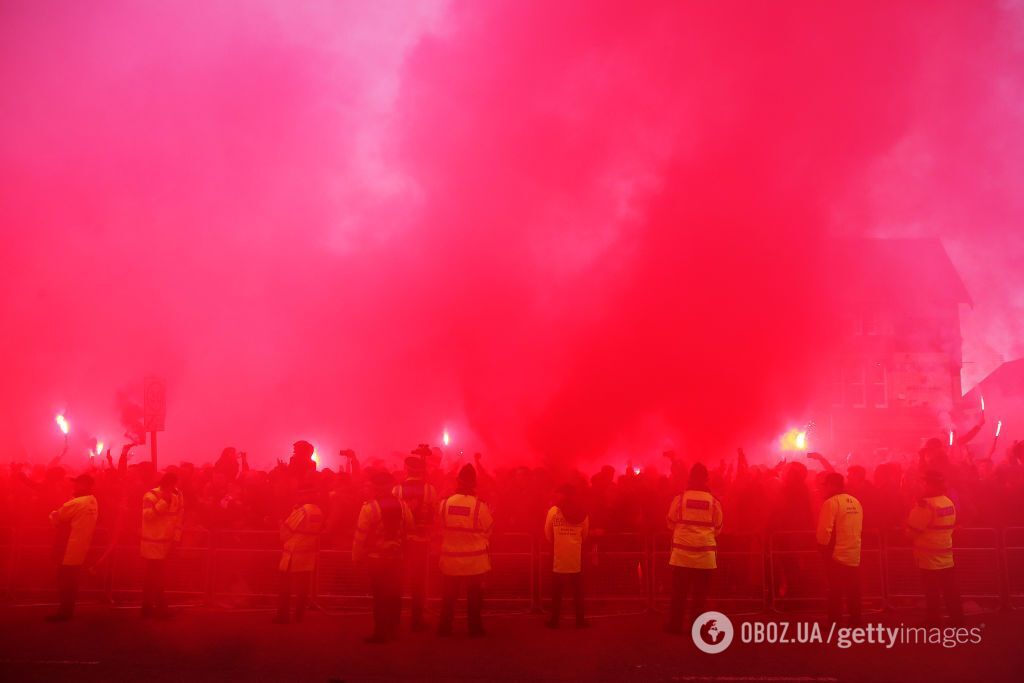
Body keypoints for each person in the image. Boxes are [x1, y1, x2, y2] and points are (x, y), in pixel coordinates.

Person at [353, 471, 413, 643]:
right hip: (397, 558)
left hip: (376, 559)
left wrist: (355, 557)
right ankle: (394, 631)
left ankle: (380, 633)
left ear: (376, 487)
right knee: (395, 595)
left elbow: (360, 537)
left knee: (379, 597)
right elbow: (410, 527)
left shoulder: (369, 508)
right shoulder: (403, 506)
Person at [663, 463, 723, 634]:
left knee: (678, 594)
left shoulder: (680, 499)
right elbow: (718, 527)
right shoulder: (714, 502)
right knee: (699, 596)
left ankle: (675, 625)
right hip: (705, 558)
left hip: (681, 555)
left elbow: (670, 522)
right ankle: (696, 627)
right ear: (707, 479)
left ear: (689, 477)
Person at [437, 464, 493, 637]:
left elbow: (439, 527)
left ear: (457, 482)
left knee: (448, 597)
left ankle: (444, 627)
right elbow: (489, 529)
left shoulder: (444, 504)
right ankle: (474, 628)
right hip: (475, 563)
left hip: (450, 561)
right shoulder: (480, 506)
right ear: (475, 483)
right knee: (475, 598)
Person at [907, 470, 963, 625]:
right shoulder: (947, 502)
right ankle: (958, 620)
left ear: (931, 485)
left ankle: (933, 621)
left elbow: (912, 532)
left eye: (925, 483)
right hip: (946, 555)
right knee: (950, 591)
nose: (922, 485)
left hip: (929, 558)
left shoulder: (926, 505)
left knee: (931, 592)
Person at [393, 453, 438, 631]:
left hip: (401, 541)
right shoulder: (430, 490)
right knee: (418, 583)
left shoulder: (397, 490)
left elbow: (393, 515)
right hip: (421, 541)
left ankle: (394, 619)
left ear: (406, 469)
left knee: (397, 580)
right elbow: (434, 516)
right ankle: (416, 620)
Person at [47, 473, 99, 621]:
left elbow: (57, 518)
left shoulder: (76, 503)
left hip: (67, 547)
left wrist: (53, 513)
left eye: (77, 483)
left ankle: (64, 612)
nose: (74, 485)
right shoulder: (93, 501)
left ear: (85, 485)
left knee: (64, 581)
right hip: (80, 547)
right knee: (72, 581)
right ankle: (68, 610)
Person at [815, 472, 863, 624]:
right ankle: (856, 621)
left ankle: (834, 622)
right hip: (854, 553)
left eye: (825, 485)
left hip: (835, 555)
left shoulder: (831, 503)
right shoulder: (856, 502)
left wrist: (822, 548)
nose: (824, 489)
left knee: (835, 591)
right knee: (853, 591)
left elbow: (824, 531)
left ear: (831, 485)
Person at [274, 484, 324, 624]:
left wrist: (280, 524)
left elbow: (286, 532)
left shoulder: (301, 511)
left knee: (285, 587)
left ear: (305, 496)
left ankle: (283, 616)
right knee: (303, 588)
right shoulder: (319, 511)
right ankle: (299, 617)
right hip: (307, 555)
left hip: (293, 554)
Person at [543, 484, 590, 629]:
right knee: (578, 590)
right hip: (576, 554)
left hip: (558, 554)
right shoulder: (582, 511)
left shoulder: (554, 510)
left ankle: (554, 620)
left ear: (563, 494)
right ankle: (580, 620)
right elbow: (585, 533)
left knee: (557, 591)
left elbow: (547, 532)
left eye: (558, 493)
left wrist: (557, 542)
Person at [140, 471, 185, 618]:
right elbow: (147, 516)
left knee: (159, 577)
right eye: (171, 486)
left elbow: (179, 519)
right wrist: (163, 502)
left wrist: (176, 540)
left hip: (167, 545)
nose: (173, 489)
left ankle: (155, 607)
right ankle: (152, 607)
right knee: (152, 577)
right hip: (152, 545)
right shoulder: (150, 495)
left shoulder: (178, 496)